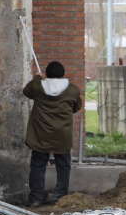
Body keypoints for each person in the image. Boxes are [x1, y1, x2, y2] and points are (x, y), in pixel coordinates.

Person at [23, 61, 82, 207]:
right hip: (62, 134)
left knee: (38, 165)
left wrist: (37, 77)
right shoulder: (73, 90)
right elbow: (76, 107)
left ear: (47, 73)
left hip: (40, 134)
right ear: (63, 74)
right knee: (63, 165)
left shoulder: (37, 87)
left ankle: (35, 198)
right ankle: (60, 196)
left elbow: (26, 91)